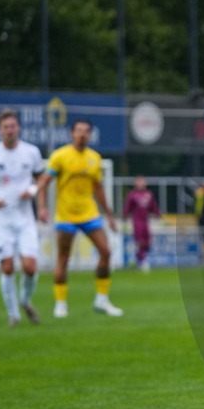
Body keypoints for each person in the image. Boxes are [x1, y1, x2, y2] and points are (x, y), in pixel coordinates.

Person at [36, 119, 124, 318]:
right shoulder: (60, 156)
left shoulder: (95, 158)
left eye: (86, 131)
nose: (82, 134)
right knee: (63, 259)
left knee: (106, 251)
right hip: (66, 215)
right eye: (79, 131)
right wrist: (41, 207)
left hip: (89, 214)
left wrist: (109, 216)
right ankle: (60, 303)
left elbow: (99, 189)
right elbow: (45, 181)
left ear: (90, 135)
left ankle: (102, 300)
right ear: (72, 133)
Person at [0, 108, 45, 326]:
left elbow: (42, 179)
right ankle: (13, 315)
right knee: (7, 267)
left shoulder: (31, 152)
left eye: (13, 126)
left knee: (30, 267)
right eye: (6, 127)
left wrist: (33, 193)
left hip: (25, 218)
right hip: (2, 219)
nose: (10, 130)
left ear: (19, 128)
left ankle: (25, 301)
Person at [123, 175, 161, 272]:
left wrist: (158, 215)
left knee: (148, 243)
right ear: (135, 183)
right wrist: (124, 218)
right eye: (139, 182)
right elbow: (127, 207)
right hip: (137, 221)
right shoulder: (132, 194)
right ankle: (143, 262)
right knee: (140, 242)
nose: (141, 184)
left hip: (146, 221)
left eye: (142, 182)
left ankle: (136, 259)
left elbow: (153, 206)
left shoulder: (149, 194)